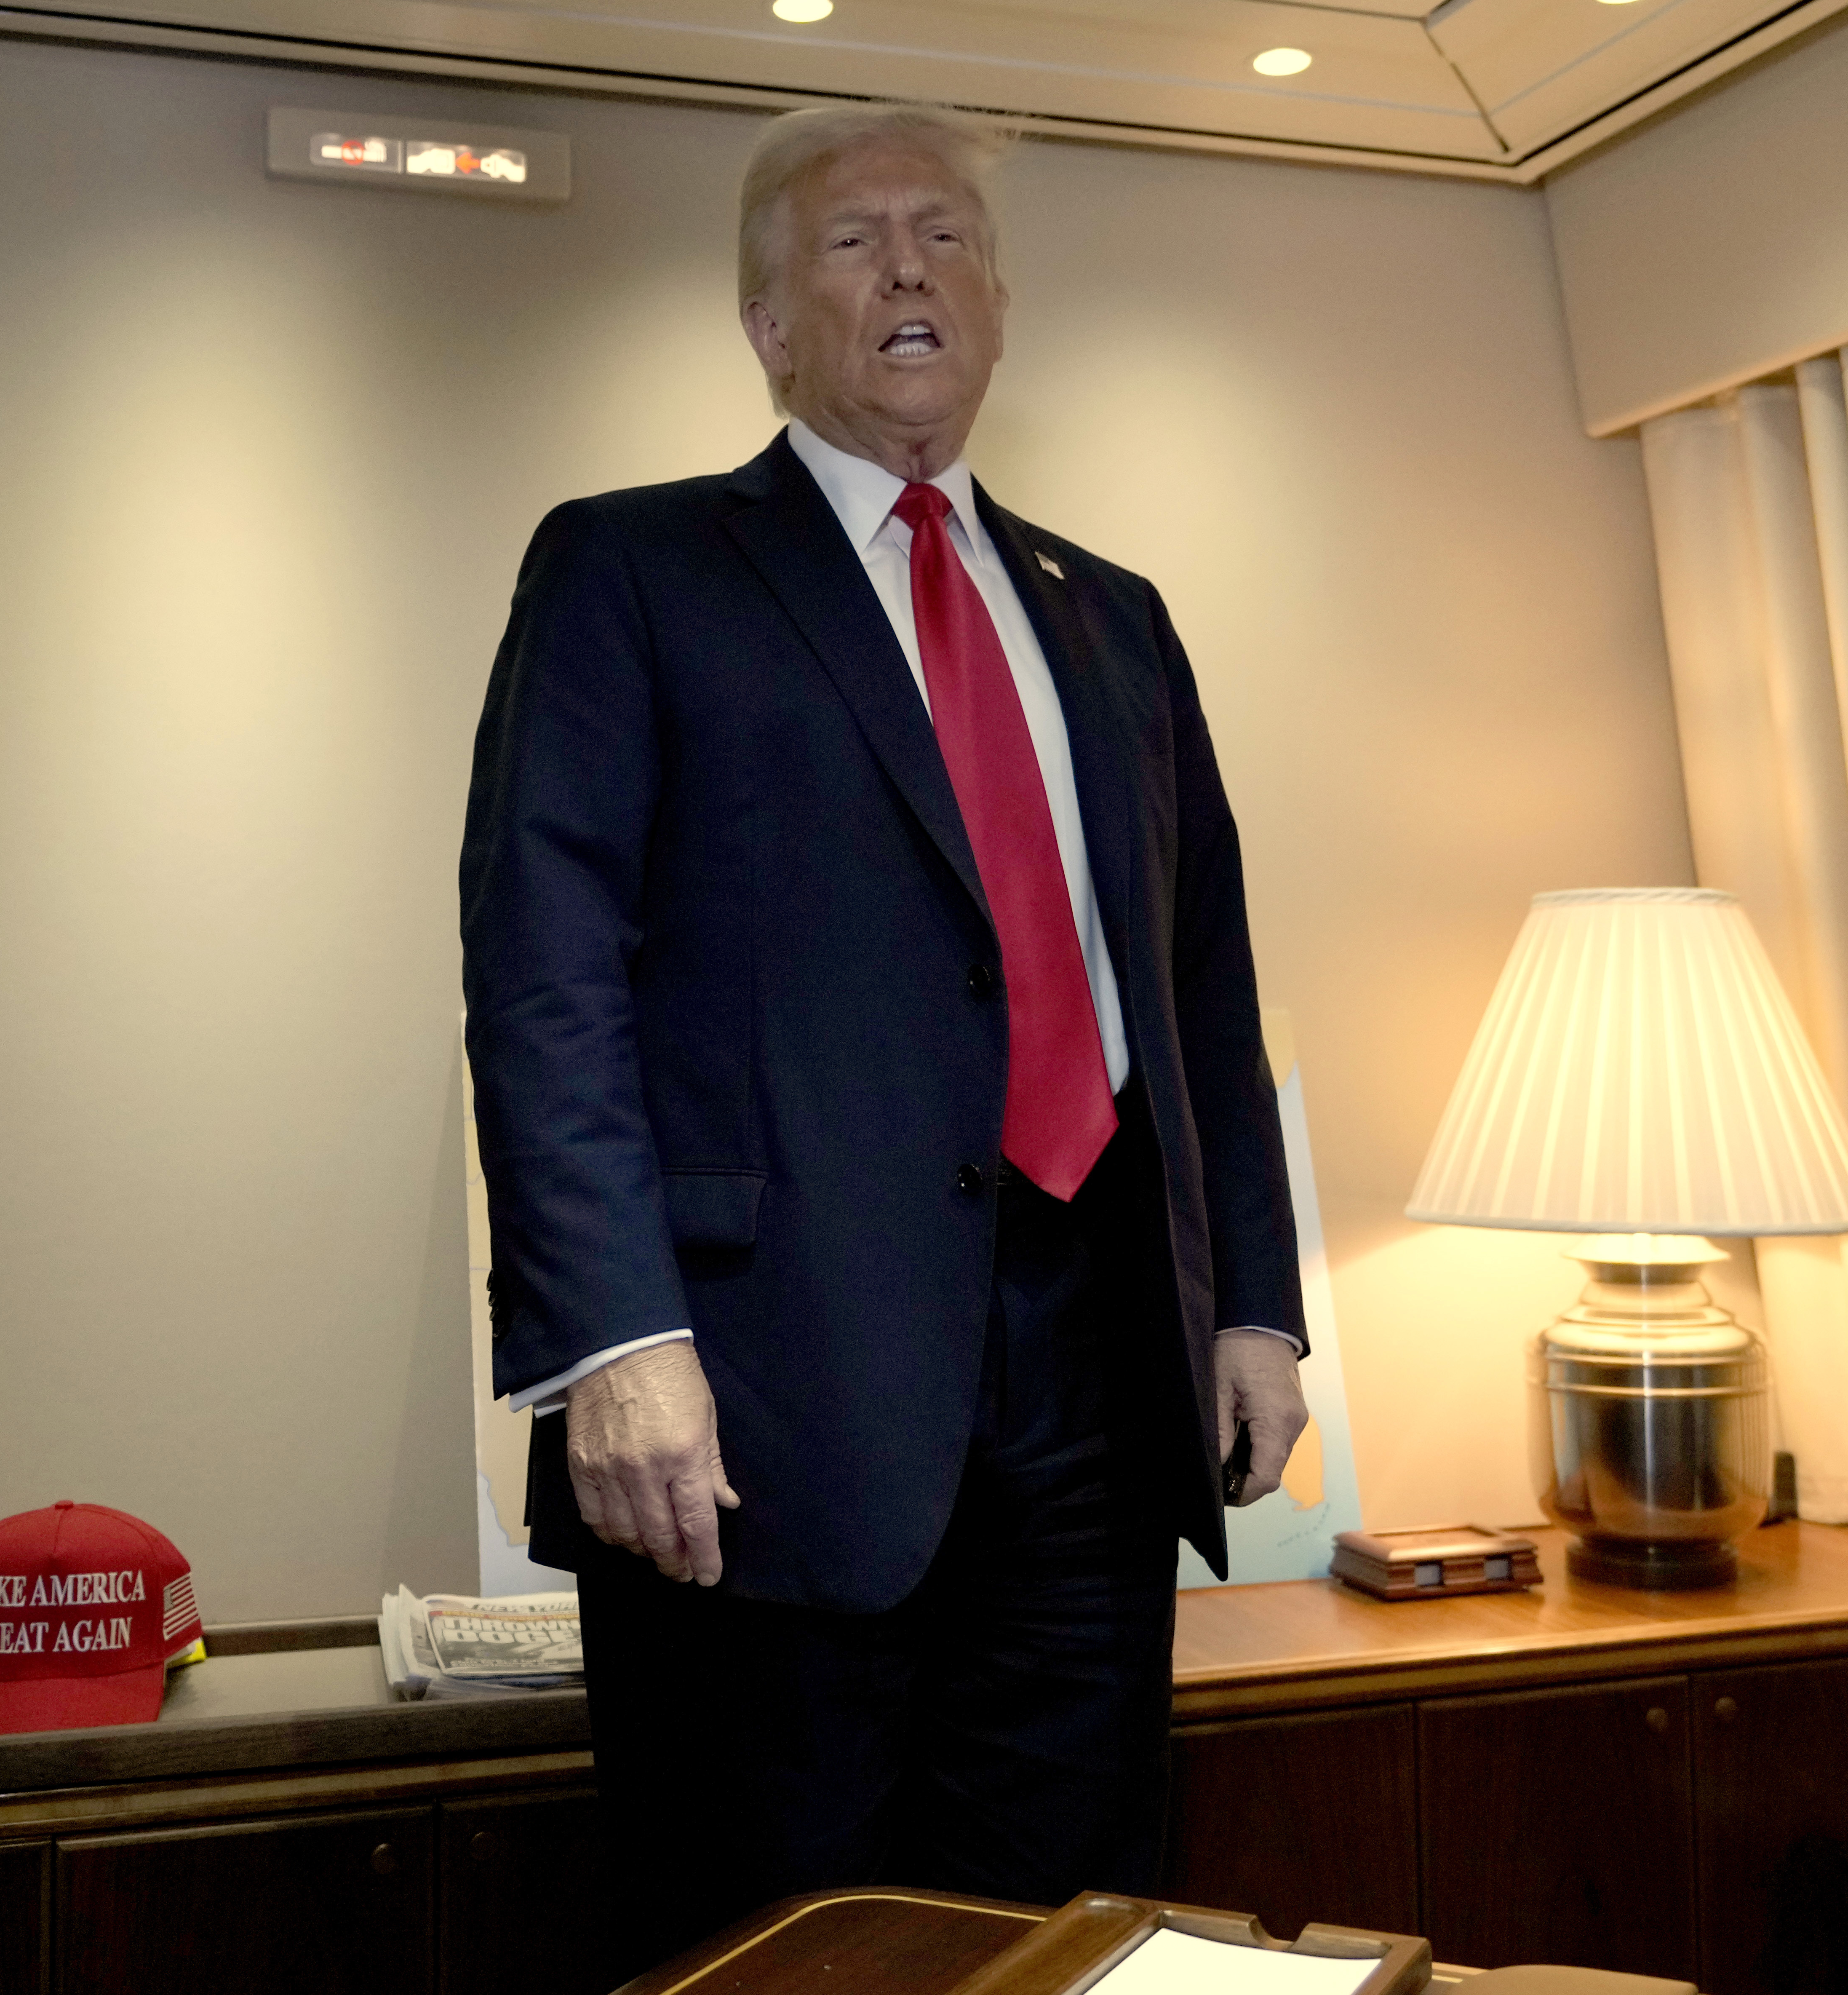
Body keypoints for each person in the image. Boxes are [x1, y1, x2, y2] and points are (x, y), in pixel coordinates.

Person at [458, 104, 1312, 1972]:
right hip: (762, 1413)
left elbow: (1204, 981)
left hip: (1096, 1383)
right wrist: (615, 1336)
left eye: (946, 237)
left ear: (997, 304)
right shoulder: (633, 570)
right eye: (853, 244)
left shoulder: (1119, 619)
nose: (909, 270)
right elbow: (545, 970)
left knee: (1064, 1923)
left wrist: (1255, 1294)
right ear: (768, 323)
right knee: (777, 1934)